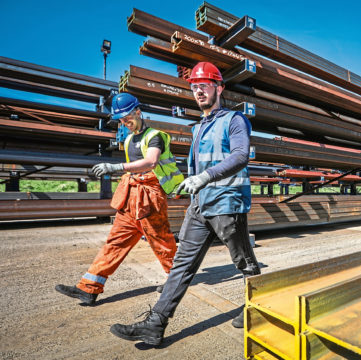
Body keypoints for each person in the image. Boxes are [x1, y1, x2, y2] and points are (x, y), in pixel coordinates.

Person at [110, 62, 261, 346]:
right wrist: (184, 185)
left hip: (227, 203)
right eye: (194, 86)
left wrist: (204, 176)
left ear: (219, 87)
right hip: (200, 204)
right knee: (182, 265)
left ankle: (256, 306)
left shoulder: (234, 120)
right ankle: (155, 324)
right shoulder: (199, 127)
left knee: (243, 261)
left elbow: (241, 156)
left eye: (204, 85)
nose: (198, 91)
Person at [55, 93, 184, 305]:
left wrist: (116, 167)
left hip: (150, 198)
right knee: (115, 242)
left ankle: (177, 280)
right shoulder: (129, 138)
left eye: (127, 118)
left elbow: (151, 162)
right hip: (131, 196)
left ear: (138, 111)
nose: (125, 123)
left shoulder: (156, 136)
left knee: (162, 243)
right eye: (121, 120)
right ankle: (89, 288)